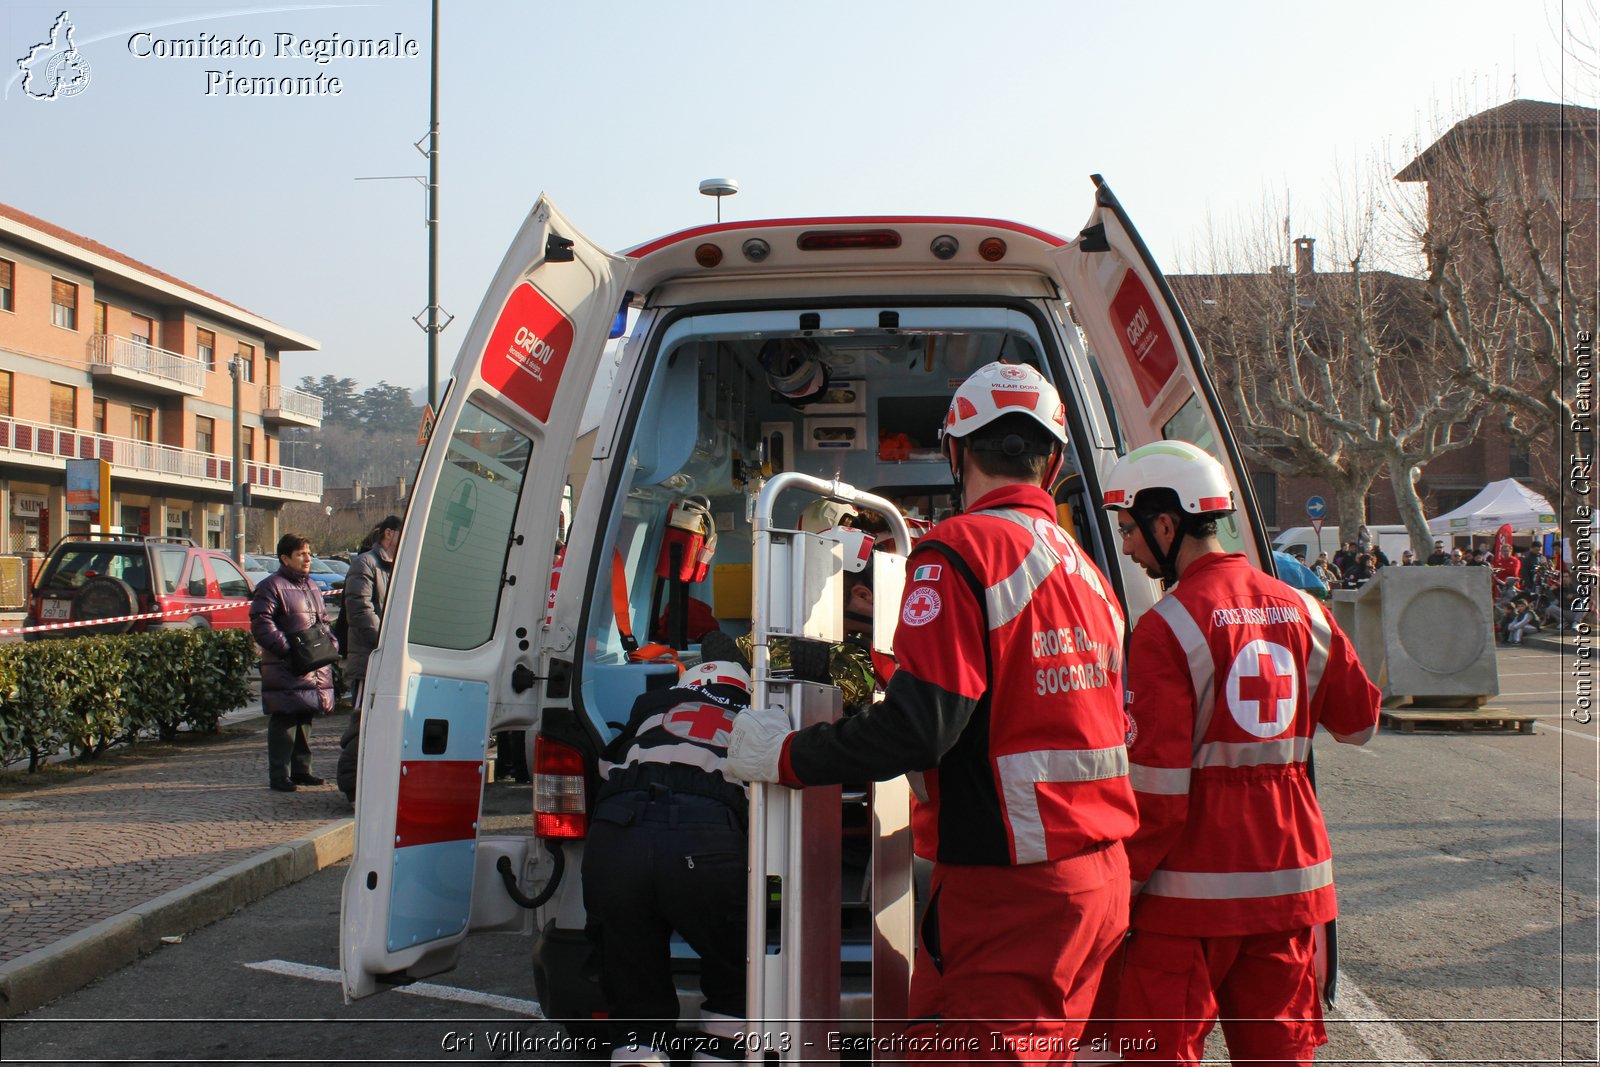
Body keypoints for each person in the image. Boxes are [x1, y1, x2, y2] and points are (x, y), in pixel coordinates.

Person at [728, 361, 1136, 1060]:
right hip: (1094, 880)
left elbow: (923, 725)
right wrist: (832, 665)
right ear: (1055, 458)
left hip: (1011, 894)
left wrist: (789, 755)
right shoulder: (1088, 573)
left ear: (956, 450)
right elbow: (1003, 699)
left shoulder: (960, 550)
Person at [1093, 441, 1381, 1066]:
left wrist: (1116, 891)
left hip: (1185, 905)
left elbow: (1159, 799)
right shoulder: (1307, 610)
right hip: (1290, 891)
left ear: (1166, 523)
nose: (1128, 548)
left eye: (1130, 530)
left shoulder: (1166, 626)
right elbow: (1360, 724)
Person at [583, 659, 755, 1067]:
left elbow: (606, 768)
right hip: (706, 835)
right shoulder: (756, 714)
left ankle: (638, 1051)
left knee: (631, 968)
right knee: (734, 966)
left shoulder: (651, 705)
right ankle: (721, 1053)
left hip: (619, 831)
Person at [250, 533, 337, 793]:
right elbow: (261, 622)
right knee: (285, 718)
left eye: (309, 553)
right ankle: (280, 774)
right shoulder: (271, 586)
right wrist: (287, 649)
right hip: (286, 664)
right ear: (285, 558)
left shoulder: (310, 585)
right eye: (301, 554)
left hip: (311, 663)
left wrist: (331, 644)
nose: (307, 558)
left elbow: (323, 620)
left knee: (304, 714)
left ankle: (302, 770)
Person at [336, 515, 401, 802]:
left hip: (387, 657)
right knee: (361, 723)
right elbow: (361, 611)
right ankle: (351, 784)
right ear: (388, 533)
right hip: (369, 659)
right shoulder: (366, 564)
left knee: (376, 724)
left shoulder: (395, 566)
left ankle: (367, 783)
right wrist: (386, 643)